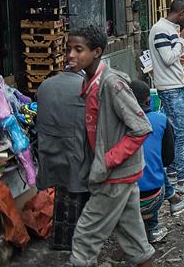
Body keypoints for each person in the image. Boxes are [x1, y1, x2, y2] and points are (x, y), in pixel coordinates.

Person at [67, 26, 154, 267]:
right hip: (120, 174)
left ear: (96, 52)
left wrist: (107, 161)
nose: (70, 55)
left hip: (115, 175)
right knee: (134, 240)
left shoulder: (111, 84)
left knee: (85, 239)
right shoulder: (90, 83)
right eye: (69, 49)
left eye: (78, 50)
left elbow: (141, 127)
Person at [130, 80, 184, 243]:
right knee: (154, 166)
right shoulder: (160, 119)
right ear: (148, 100)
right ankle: (153, 227)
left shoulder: (114, 123)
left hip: (118, 196)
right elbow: (168, 159)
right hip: (153, 197)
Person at [148, 0, 184, 195]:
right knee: (182, 133)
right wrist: (181, 40)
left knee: (177, 132)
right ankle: (181, 180)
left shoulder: (169, 29)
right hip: (169, 87)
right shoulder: (161, 29)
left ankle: (174, 173)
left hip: (175, 85)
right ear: (182, 13)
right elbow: (168, 58)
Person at [35, 69, 89, 251]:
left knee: (61, 192)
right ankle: (76, 241)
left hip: (50, 150)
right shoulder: (84, 86)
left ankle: (59, 240)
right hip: (75, 150)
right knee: (77, 195)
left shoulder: (45, 86)